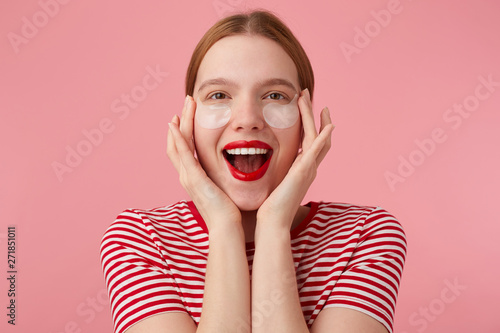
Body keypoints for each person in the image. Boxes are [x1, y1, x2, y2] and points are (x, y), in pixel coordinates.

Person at [100, 10, 406, 333]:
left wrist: (274, 228)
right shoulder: (139, 241)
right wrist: (223, 226)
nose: (248, 118)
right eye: (219, 95)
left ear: (305, 122)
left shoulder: (365, 238)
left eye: (275, 95)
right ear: (190, 119)